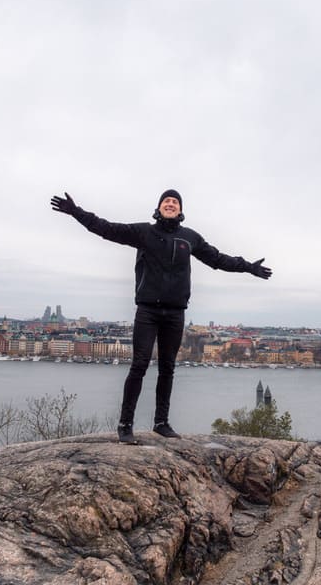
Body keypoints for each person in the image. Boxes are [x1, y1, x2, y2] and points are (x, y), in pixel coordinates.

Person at [50, 189, 272, 443]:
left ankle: (161, 422)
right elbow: (106, 228)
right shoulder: (144, 232)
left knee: (168, 368)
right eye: (166, 200)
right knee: (139, 365)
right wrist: (76, 212)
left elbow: (218, 259)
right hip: (148, 310)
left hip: (175, 312)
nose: (171, 203)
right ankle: (125, 424)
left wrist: (248, 268)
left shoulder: (189, 238)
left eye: (175, 201)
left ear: (180, 210)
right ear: (159, 207)